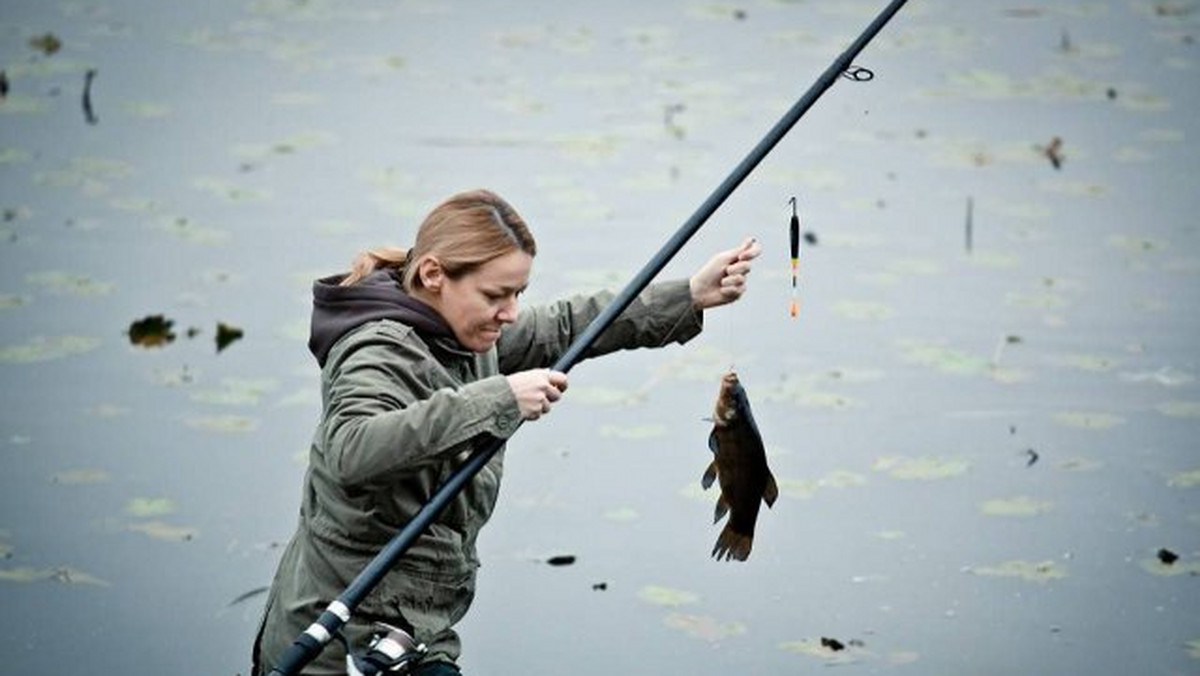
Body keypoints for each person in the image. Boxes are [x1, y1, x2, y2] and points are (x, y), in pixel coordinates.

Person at [252, 189, 761, 675]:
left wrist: (690, 295)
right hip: (339, 645)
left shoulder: (465, 333)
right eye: (497, 294)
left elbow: (568, 325)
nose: (511, 312)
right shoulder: (377, 352)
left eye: (518, 293)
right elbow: (350, 449)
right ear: (433, 274)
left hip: (418, 631)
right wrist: (498, 397)